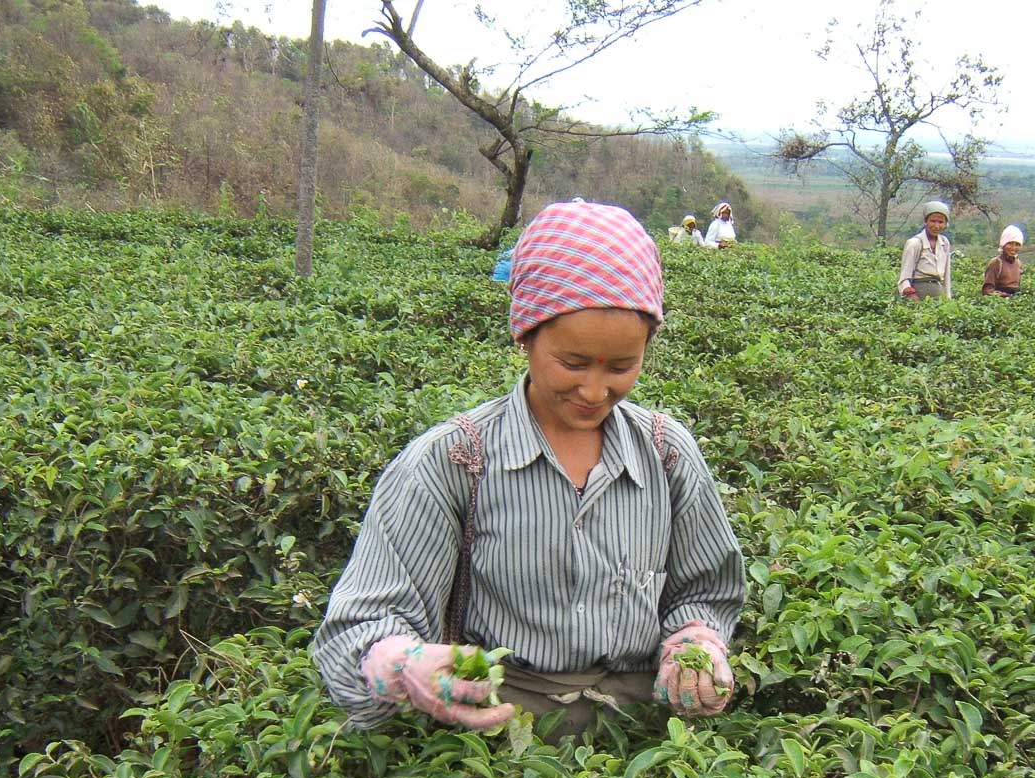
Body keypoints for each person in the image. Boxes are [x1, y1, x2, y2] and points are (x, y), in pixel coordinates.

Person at [311, 200, 746, 737]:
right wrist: (402, 665)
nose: (594, 390)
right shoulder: (452, 462)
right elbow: (357, 629)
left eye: (621, 366)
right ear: (525, 335)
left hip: (644, 739)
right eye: (573, 363)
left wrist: (695, 644)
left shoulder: (666, 452)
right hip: (495, 738)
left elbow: (705, 590)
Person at [899, 201, 954, 299]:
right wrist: (910, 294)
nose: (936, 226)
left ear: (946, 224)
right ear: (925, 221)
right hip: (918, 294)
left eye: (941, 222)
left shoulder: (944, 242)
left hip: (939, 294)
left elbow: (946, 275)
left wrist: (948, 298)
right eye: (933, 221)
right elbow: (904, 276)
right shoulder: (915, 243)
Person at [982, 225, 1024, 296]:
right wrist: (1004, 296)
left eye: (1017, 244)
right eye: (1010, 243)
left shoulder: (1018, 263)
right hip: (999, 304)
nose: (1013, 248)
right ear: (1003, 244)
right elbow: (987, 290)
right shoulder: (996, 263)